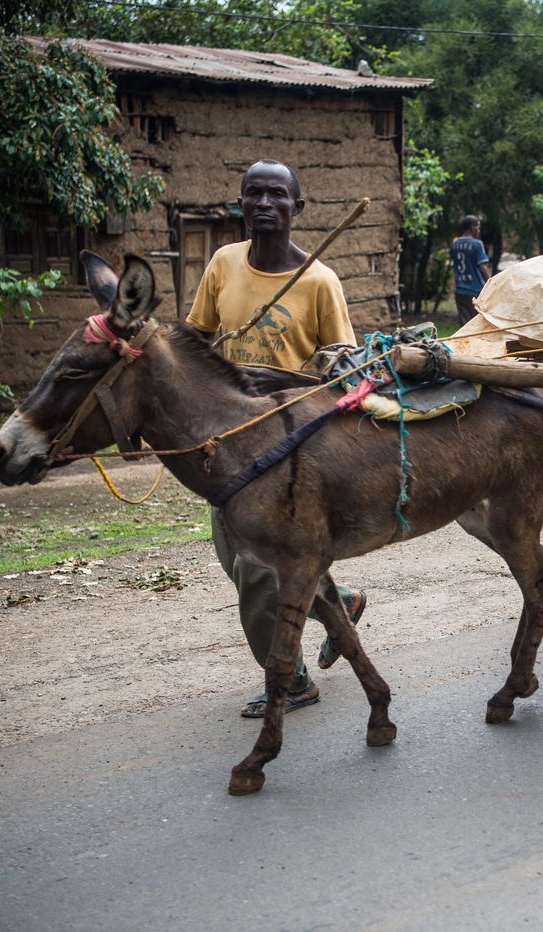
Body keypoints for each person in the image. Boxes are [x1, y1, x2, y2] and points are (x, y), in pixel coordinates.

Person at [186, 159, 368, 716]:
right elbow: (196, 341)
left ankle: (290, 682)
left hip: (290, 448)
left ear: (298, 207)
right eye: (253, 194)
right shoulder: (222, 264)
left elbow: (347, 374)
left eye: (276, 195)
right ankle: (338, 601)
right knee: (231, 553)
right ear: (240, 204)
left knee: (258, 571)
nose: (264, 203)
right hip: (227, 443)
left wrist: (281, 380)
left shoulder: (318, 280)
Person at [450, 215, 492, 325]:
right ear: (472, 227)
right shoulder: (477, 244)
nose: (478, 230)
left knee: (465, 326)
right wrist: (491, 283)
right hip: (475, 291)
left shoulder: (455, 244)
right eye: (478, 227)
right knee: (477, 325)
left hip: (460, 291)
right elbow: (483, 267)